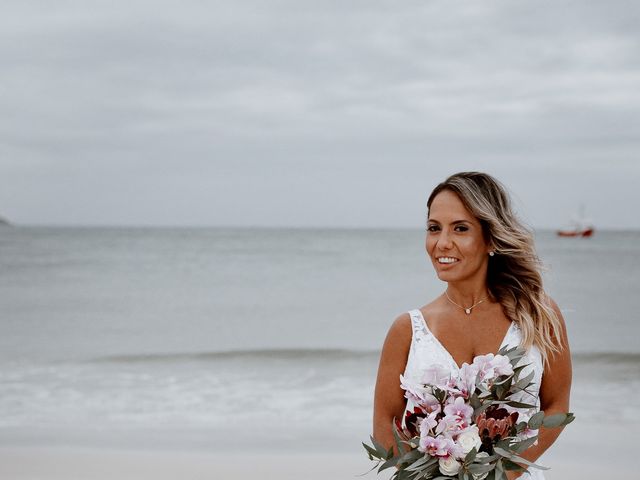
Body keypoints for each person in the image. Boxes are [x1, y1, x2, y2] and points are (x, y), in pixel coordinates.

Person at [372, 172, 572, 480]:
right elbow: (386, 423)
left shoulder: (538, 314)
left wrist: (506, 472)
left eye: (460, 229)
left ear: (490, 237)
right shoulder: (408, 329)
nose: (442, 243)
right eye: (433, 228)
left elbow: (557, 406)